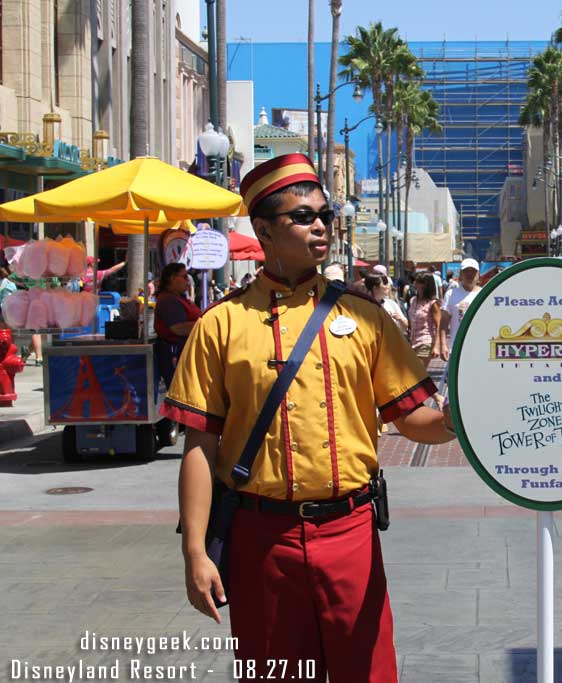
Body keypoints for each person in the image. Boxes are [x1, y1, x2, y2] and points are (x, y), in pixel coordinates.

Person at [164, 153, 455, 683]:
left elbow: (412, 418)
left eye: (325, 215)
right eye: (302, 216)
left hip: (351, 534)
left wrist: (458, 420)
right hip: (260, 541)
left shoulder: (364, 317)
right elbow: (200, 445)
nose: (319, 226)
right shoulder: (221, 325)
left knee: (367, 672)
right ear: (263, 229)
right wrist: (194, 552)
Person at [153, 263, 201, 391]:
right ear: (172, 278)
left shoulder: (179, 298)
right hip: (175, 353)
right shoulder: (168, 300)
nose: (187, 280)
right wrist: (205, 324)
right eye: (184, 277)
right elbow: (178, 328)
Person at [439, 258, 480, 360]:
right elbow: (443, 322)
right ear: (460, 274)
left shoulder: (484, 294)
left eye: (473, 272)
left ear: (478, 274)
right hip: (457, 349)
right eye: (466, 271)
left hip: (479, 349)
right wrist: (443, 345)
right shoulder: (451, 294)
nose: (469, 275)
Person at [407, 271, 442, 370]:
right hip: (413, 341)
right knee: (414, 374)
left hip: (425, 341)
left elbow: (438, 325)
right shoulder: (413, 300)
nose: (415, 284)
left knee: (418, 373)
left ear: (425, 285)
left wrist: (436, 346)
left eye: (418, 282)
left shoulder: (433, 303)